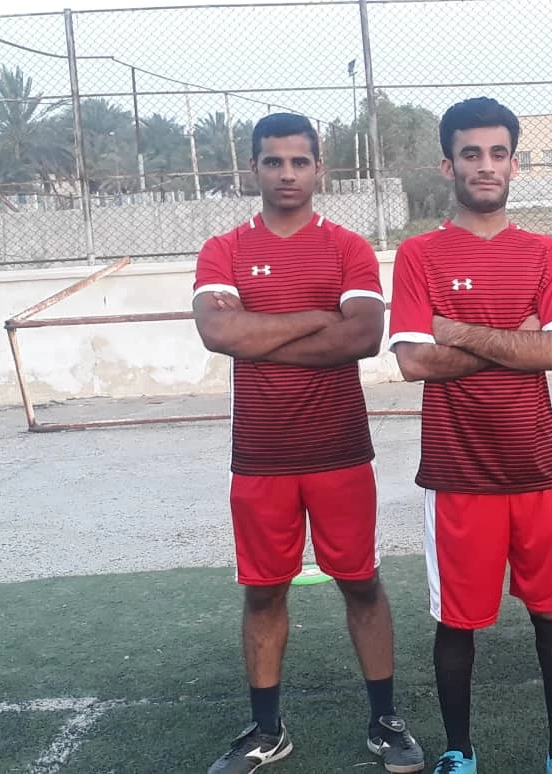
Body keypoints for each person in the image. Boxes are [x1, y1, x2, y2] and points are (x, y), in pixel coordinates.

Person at [192, 112, 424, 774]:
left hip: (340, 451)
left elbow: (363, 337)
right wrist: (318, 318)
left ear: (320, 168)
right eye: (274, 161)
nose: (287, 173)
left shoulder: (348, 248)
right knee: (263, 593)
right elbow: (218, 333)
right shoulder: (224, 248)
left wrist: (260, 331)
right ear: (254, 168)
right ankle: (267, 730)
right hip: (260, 456)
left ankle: (385, 720)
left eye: (299, 161)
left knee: (361, 584)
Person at [388, 97, 552, 774]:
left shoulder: (544, 254)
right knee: (456, 624)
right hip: (457, 474)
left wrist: (456, 330)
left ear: (514, 163)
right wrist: (515, 340)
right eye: (471, 153)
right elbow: (414, 362)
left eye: (498, 153)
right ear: (448, 164)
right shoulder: (418, 255)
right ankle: (459, 753)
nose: (485, 165)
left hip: (538, 470)